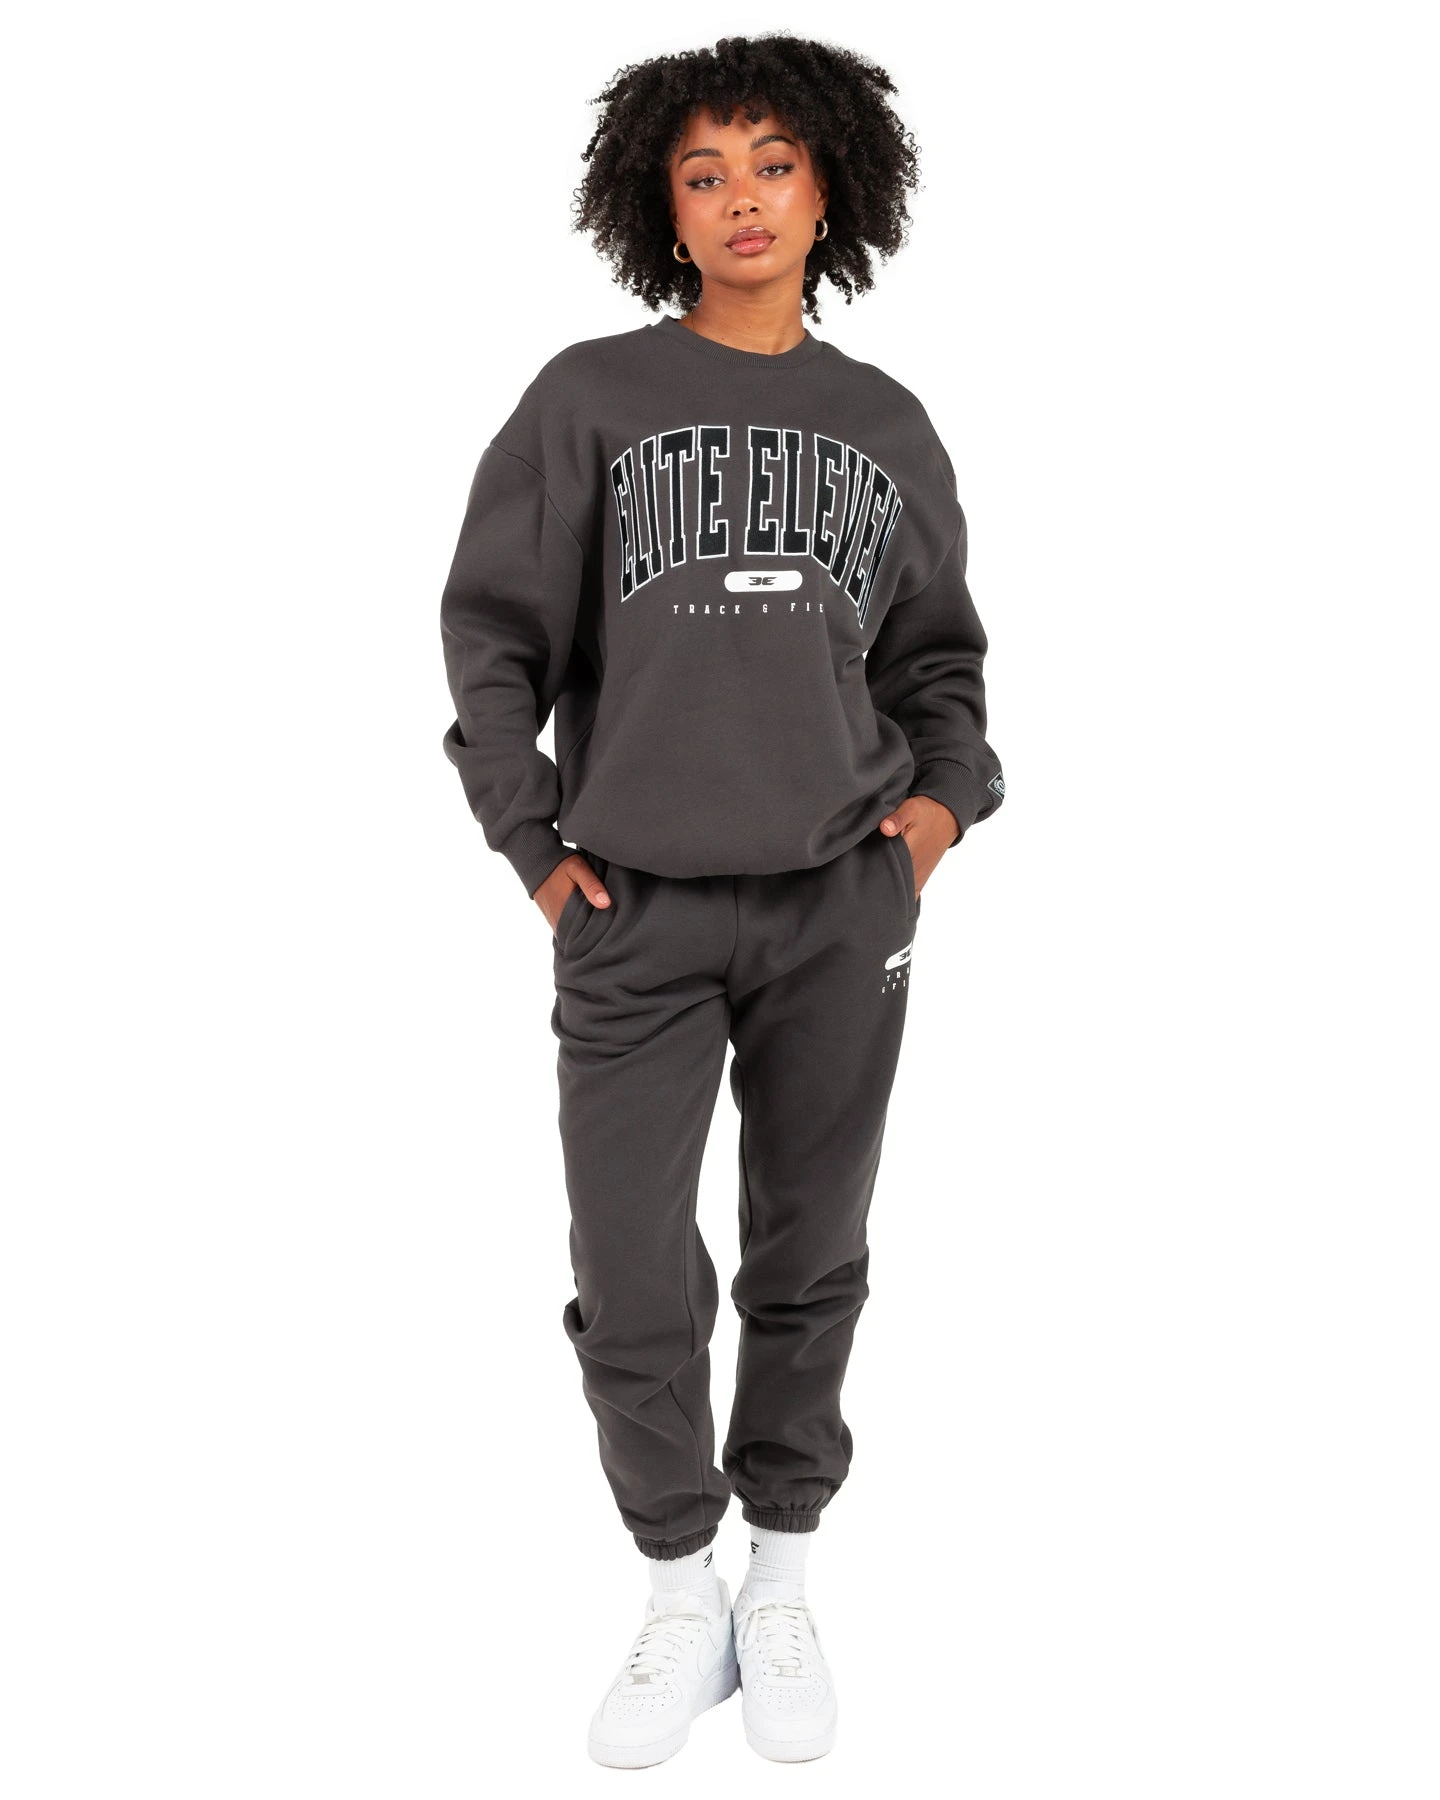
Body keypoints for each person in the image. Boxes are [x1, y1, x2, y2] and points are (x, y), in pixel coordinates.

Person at [439, 33, 1005, 1768]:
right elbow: (492, 642)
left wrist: (928, 825)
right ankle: (678, 1586)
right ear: (660, 211)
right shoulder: (588, 399)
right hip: (637, 914)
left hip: (841, 903)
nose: (741, 197)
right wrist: (537, 851)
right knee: (630, 1271)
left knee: (810, 1250)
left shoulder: (884, 424)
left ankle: (784, 1575)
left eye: (773, 164)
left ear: (831, 189)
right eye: (704, 173)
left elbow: (939, 662)